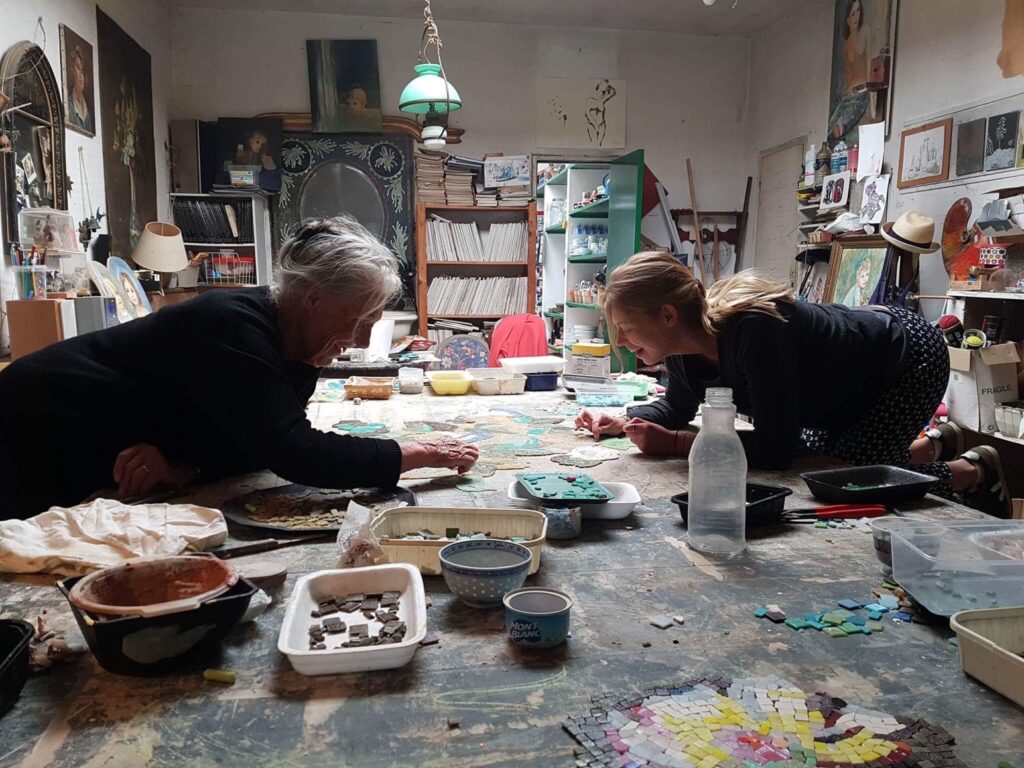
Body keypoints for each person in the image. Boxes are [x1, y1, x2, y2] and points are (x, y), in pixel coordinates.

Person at [0, 217, 478, 519]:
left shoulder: (298, 354)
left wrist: (181, 468)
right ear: (312, 299)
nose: (358, 339)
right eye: (356, 320)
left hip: (101, 444)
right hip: (33, 424)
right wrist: (412, 453)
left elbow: (257, 444)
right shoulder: (231, 326)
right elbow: (292, 451)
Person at [575, 250, 1012, 517]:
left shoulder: (753, 331)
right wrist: (623, 420)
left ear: (668, 316)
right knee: (830, 456)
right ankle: (935, 443)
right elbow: (674, 410)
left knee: (842, 483)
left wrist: (674, 444)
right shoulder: (684, 354)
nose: (621, 342)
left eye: (627, 328)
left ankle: (972, 470)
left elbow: (775, 448)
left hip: (903, 359)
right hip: (838, 383)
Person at [67, 44, 93, 134]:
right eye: (78, 68)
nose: (81, 75)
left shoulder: (88, 110)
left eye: (82, 71)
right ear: (72, 71)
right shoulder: (69, 105)